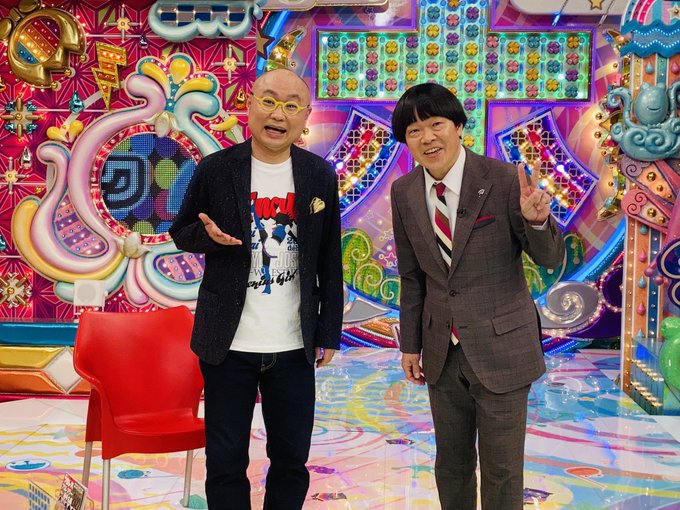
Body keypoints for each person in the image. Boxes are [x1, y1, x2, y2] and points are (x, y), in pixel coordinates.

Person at [169, 68, 343, 510]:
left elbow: (329, 257)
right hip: (229, 343)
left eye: (290, 105)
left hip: (294, 344)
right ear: (249, 105)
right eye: (268, 101)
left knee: (291, 461)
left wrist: (328, 332)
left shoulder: (319, 174)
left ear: (305, 116)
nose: (278, 114)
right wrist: (209, 237)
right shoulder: (216, 168)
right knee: (225, 461)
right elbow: (182, 230)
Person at [389, 83, 564, 510]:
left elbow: (549, 259)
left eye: (436, 124)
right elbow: (412, 276)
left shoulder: (503, 180)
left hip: (503, 348)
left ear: (458, 127)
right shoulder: (404, 191)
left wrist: (538, 223)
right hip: (441, 352)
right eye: (414, 131)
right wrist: (410, 344)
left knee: (502, 469)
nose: (427, 138)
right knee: (451, 465)